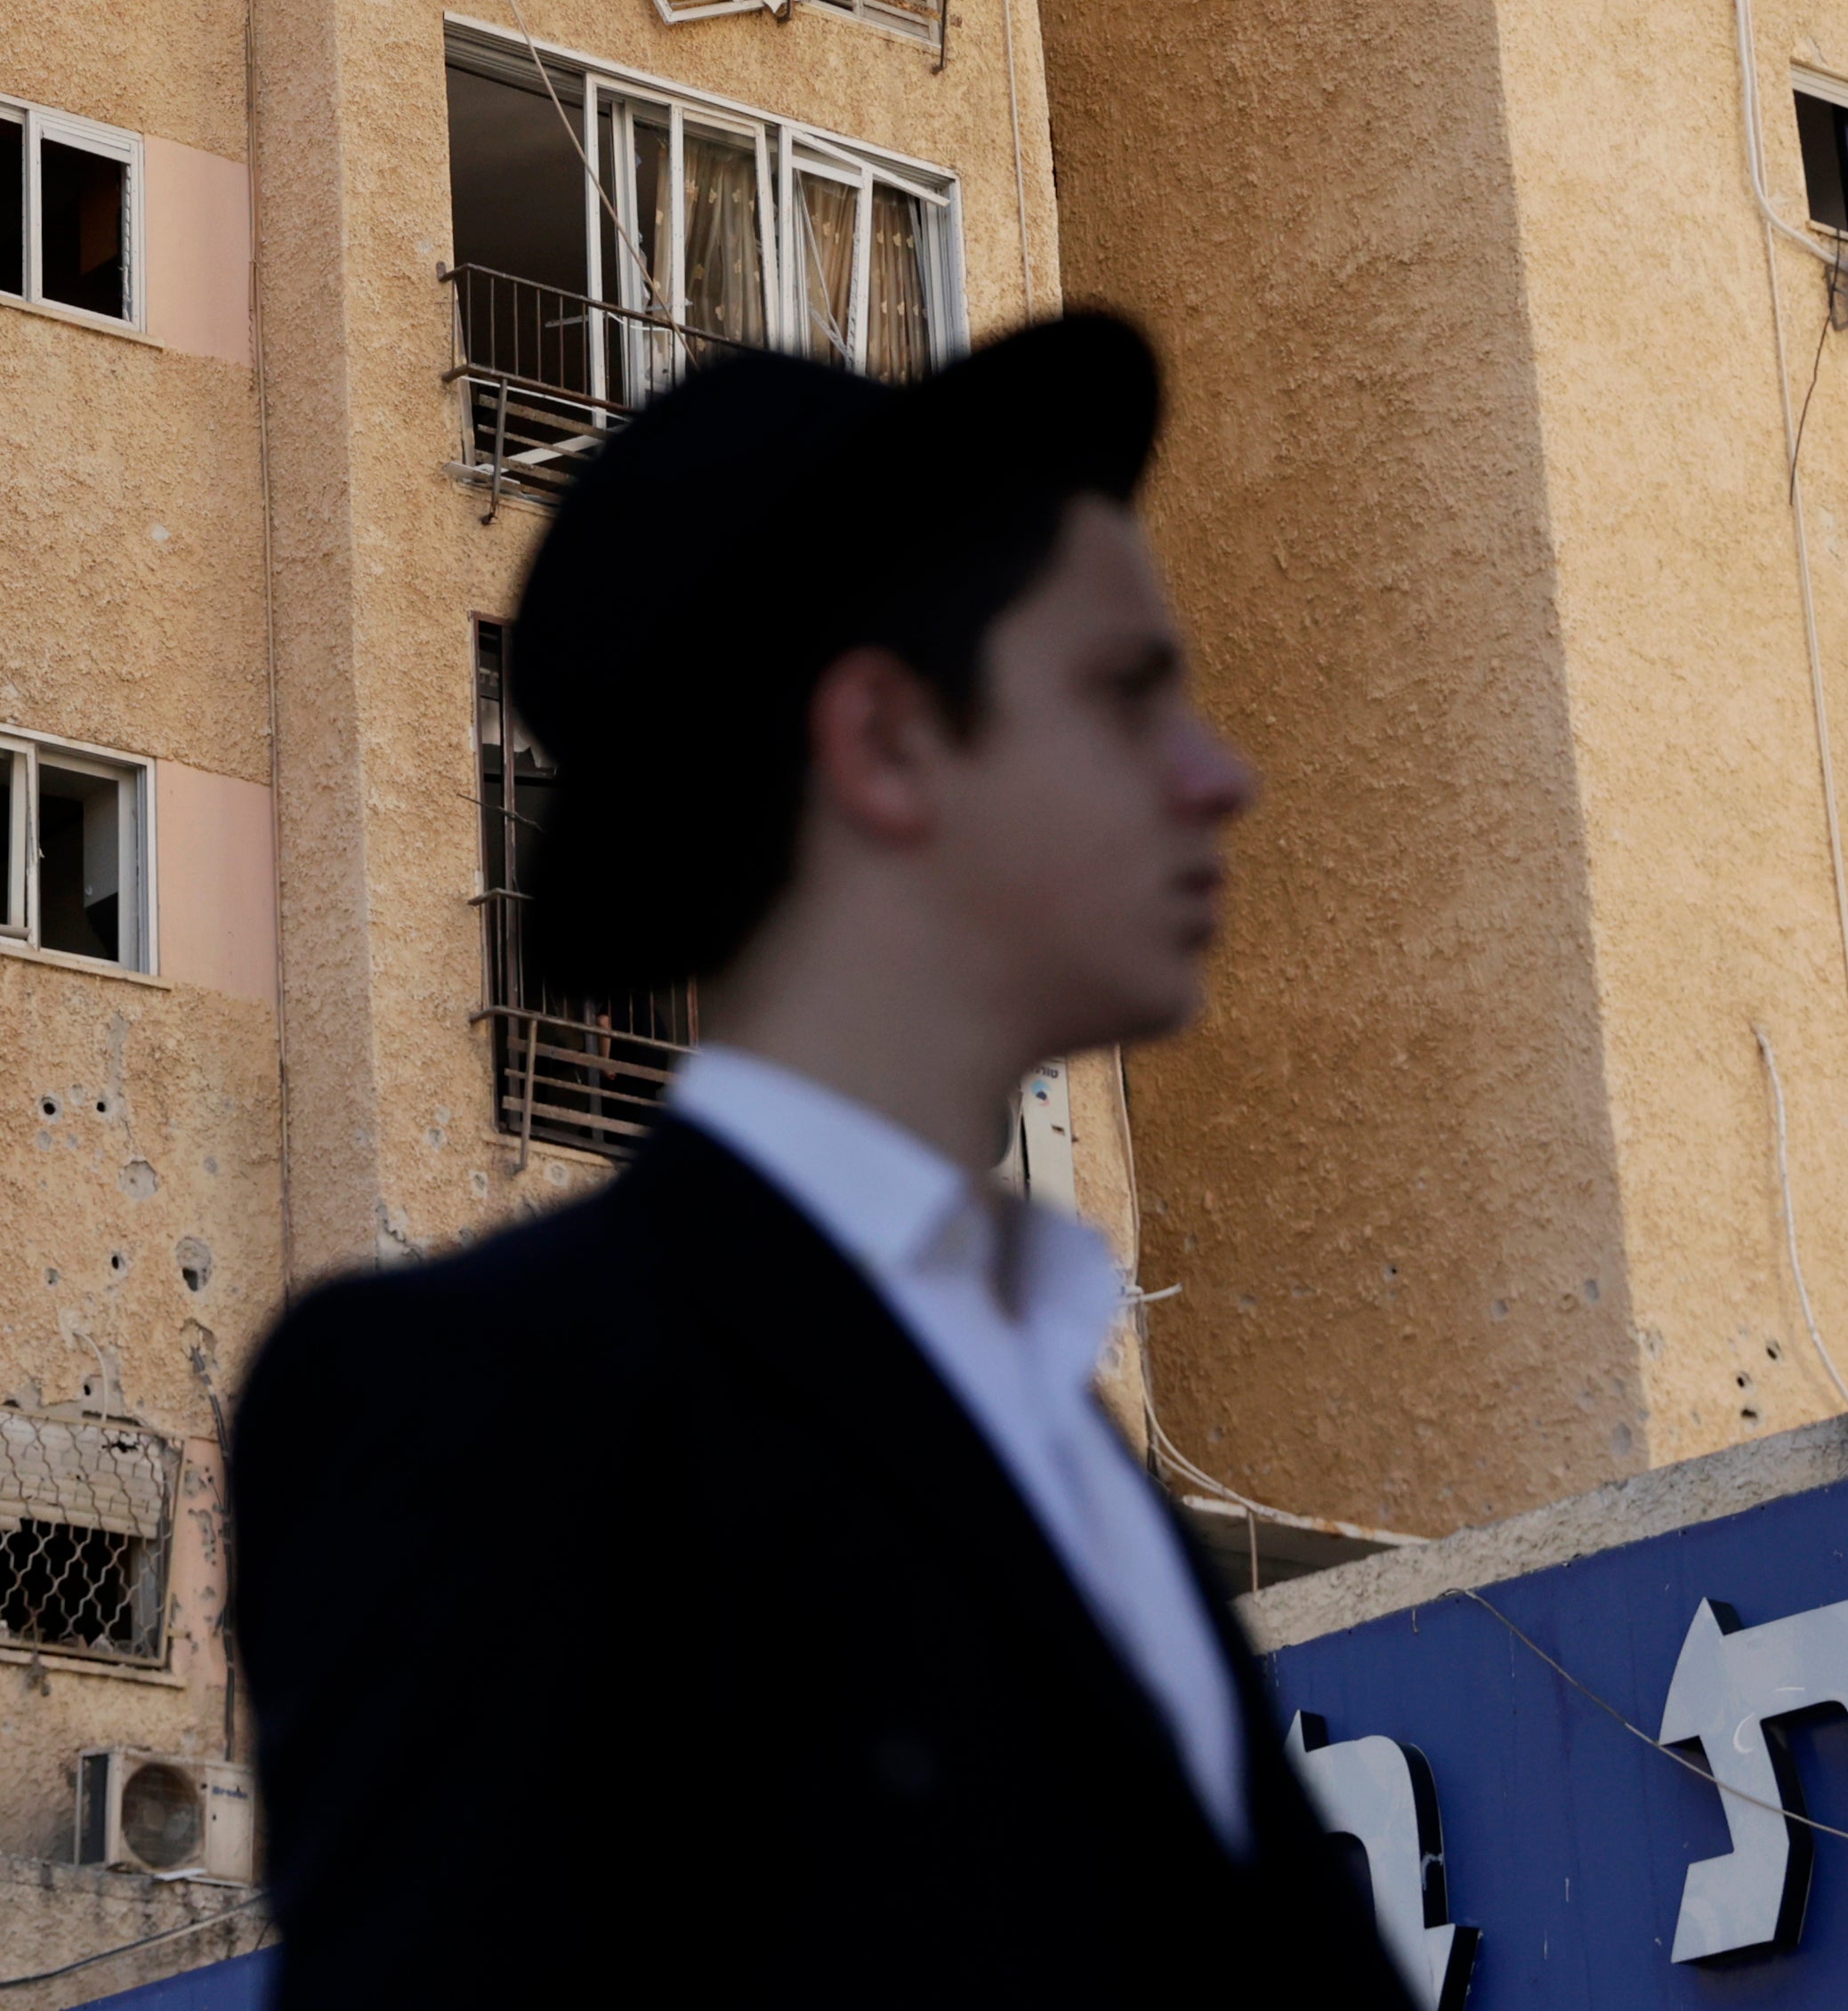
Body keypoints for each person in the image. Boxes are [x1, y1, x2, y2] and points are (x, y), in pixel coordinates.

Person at [226, 311, 1392, 2001]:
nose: (1221, 774)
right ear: (889, 744)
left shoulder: (1054, 1445)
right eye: (1129, 691)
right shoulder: (480, 1397)